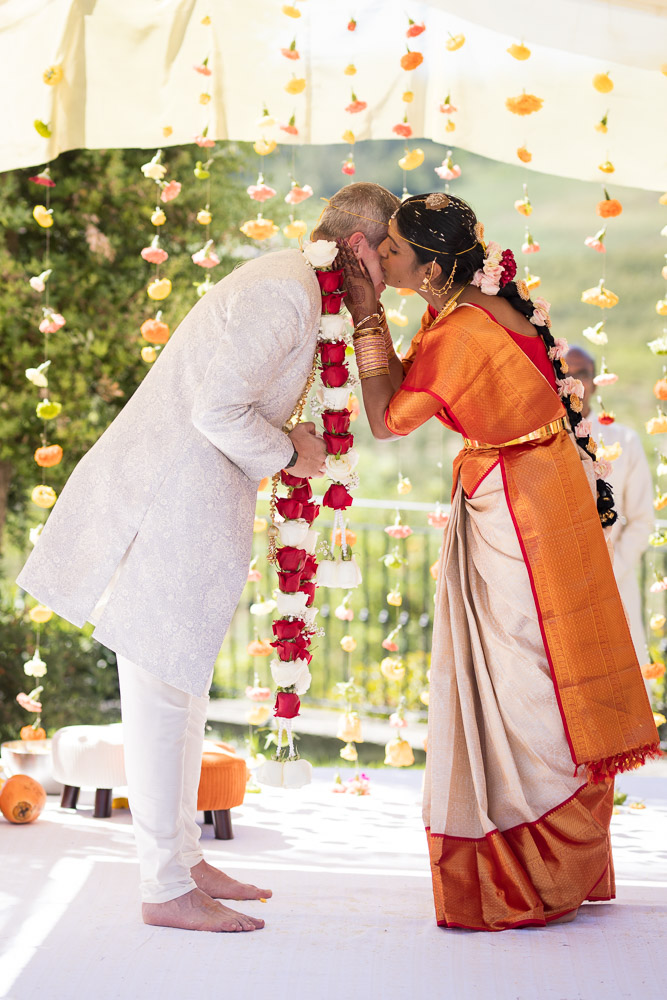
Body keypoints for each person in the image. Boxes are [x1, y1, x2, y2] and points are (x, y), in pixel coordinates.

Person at [16, 181, 400, 933]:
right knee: (161, 687)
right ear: (356, 247)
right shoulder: (287, 292)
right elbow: (216, 407)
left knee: (183, 686)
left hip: (194, 505)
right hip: (168, 501)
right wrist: (293, 450)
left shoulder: (301, 288)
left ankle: (185, 858)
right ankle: (162, 886)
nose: (394, 274)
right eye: (387, 255)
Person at [337, 191, 659, 931]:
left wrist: (364, 313)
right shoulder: (482, 306)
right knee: (548, 664)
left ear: (433, 264)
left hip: (516, 504)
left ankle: (533, 865)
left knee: (522, 676)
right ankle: (565, 854)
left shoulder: (459, 333)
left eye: (390, 250)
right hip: (544, 488)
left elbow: (387, 423)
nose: (381, 259)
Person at [565, 346, 654, 663]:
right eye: (566, 372)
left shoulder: (625, 441)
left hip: (615, 586)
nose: (574, 381)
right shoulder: (543, 438)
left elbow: (642, 519)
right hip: (558, 589)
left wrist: (611, 571)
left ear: (595, 382)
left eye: (583, 374)